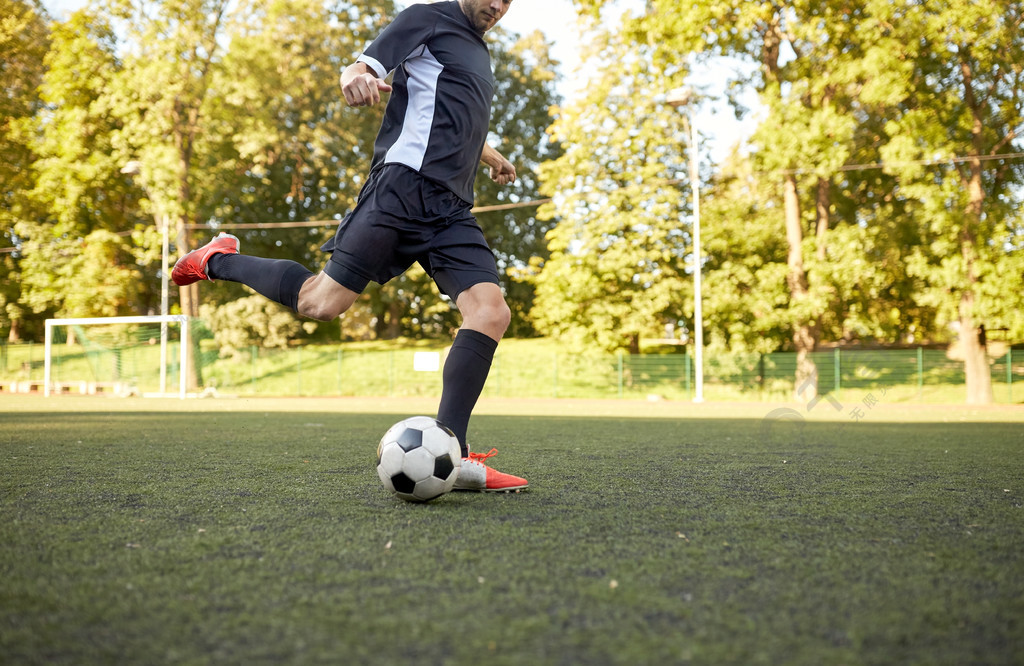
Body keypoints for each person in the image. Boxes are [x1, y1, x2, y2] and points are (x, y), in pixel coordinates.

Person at [171, 0, 527, 492]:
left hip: (451, 210)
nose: (497, 5)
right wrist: (355, 75)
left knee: (490, 313)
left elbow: (450, 113)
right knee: (320, 302)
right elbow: (364, 66)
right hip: (401, 190)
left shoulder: (478, 51)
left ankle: (456, 455)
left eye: (509, 0)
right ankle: (218, 259)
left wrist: (489, 154)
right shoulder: (426, 17)